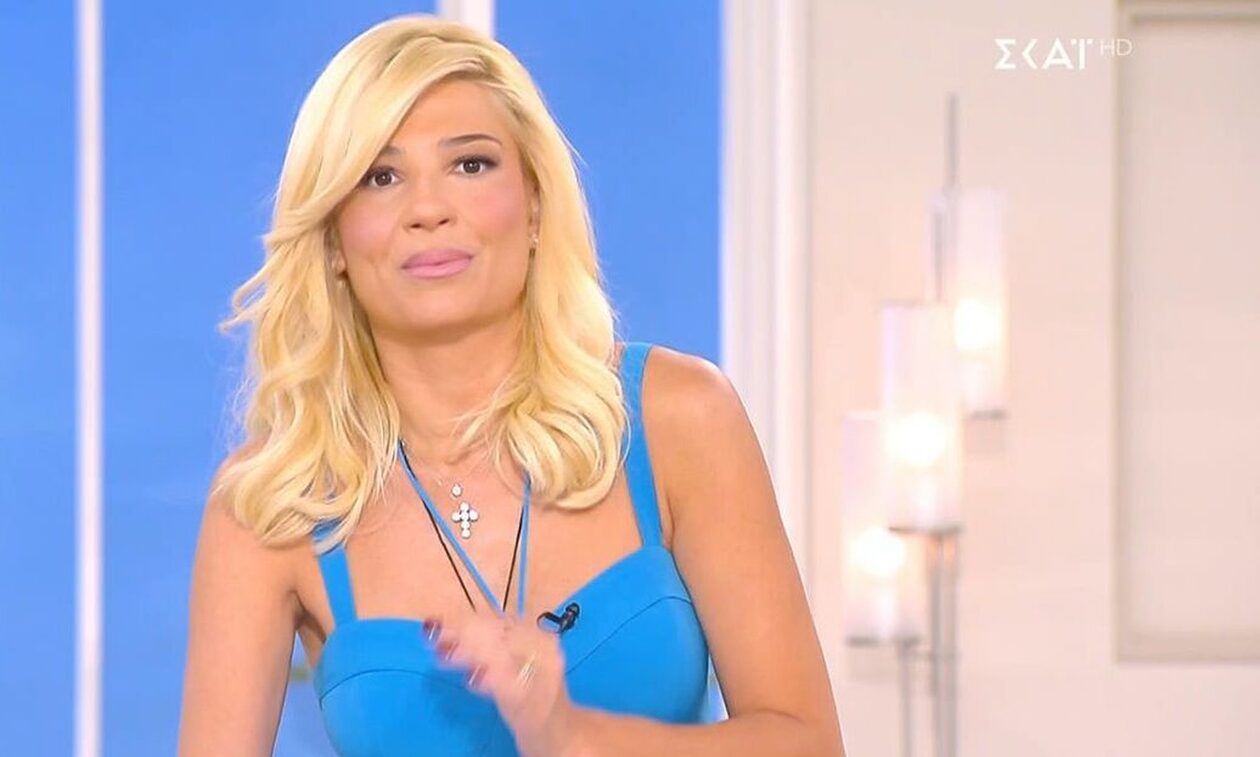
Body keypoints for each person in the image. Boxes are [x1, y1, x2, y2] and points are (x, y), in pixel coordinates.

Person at [177, 13, 844, 757]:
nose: (429, 209)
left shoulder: (677, 417)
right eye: (380, 176)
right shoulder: (272, 505)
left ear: (533, 203)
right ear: (333, 238)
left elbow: (809, 742)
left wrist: (573, 735)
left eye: (470, 164)